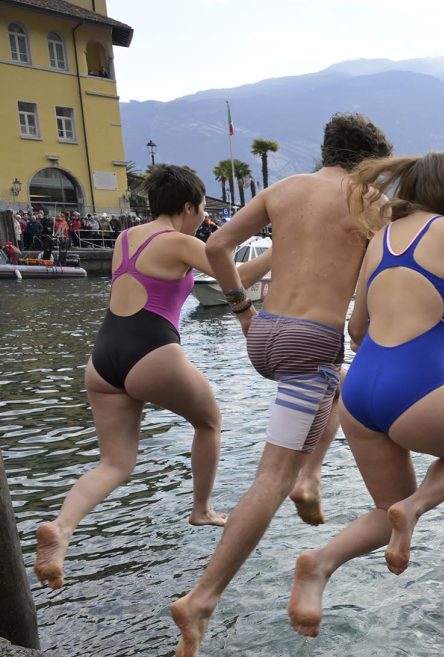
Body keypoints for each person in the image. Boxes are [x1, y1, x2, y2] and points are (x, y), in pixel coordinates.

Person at [171, 113, 392, 657]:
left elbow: (217, 246)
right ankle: (201, 601)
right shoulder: (369, 202)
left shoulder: (284, 189)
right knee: (272, 476)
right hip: (311, 341)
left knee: (343, 385)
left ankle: (310, 476)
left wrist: (241, 309)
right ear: (368, 164)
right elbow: (377, 282)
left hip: (264, 334)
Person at [287, 151, 444, 638]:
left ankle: (320, 564)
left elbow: (357, 328)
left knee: (387, 512)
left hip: (358, 393)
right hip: (419, 384)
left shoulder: (380, 238)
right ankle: (416, 508)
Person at [33, 166, 271, 589]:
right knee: (209, 422)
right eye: (201, 210)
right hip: (152, 350)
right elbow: (240, 278)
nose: (203, 219)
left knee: (114, 462)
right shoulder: (180, 241)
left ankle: (62, 528)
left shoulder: (126, 238)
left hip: (104, 360)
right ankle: (202, 508)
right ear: (188, 207)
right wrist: (284, 248)